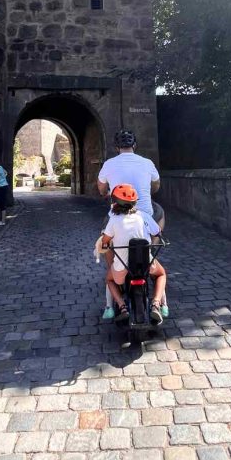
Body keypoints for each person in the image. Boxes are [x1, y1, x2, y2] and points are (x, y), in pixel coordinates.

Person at [97, 130, 167, 319]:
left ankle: (114, 270)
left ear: (116, 147)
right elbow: (156, 185)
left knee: (108, 238)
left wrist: (106, 192)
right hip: (145, 212)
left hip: (116, 213)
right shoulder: (147, 162)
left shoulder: (109, 164)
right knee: (159, 214)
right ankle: (149, 254)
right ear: (135, 146)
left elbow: (102, 188)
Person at [100, 184, 167, 326]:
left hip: (123, 266)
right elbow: (157, 232)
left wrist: (106, 244)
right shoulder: (143, 216)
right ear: (134, 202)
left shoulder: (113, 220)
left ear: (115, 203)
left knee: (109, 280)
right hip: (145, 264)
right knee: (161, 274)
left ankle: (122, 306)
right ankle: (156, 303)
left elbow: (105, 240)